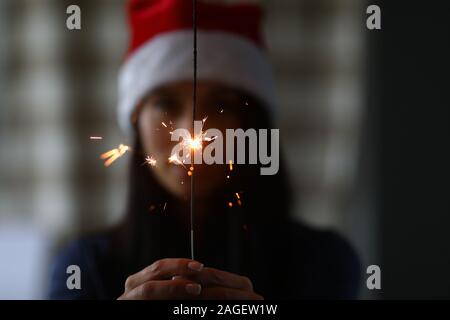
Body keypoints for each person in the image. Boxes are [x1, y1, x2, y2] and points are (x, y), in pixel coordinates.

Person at [49, 0, 360, 300]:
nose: (192, 133)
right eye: (165, 103)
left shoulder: (322, 261)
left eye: (221, 105)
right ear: (136, 121)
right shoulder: (82, 267)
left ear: (253, 125)